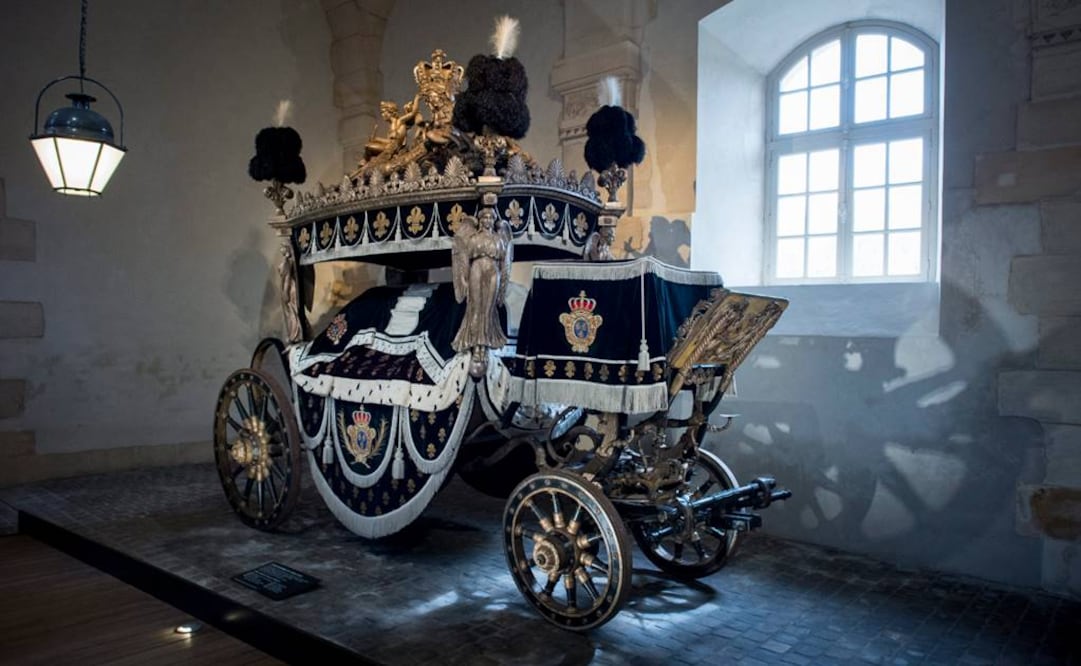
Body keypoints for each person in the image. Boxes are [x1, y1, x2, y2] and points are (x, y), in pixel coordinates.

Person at [451, 207, 512, 375]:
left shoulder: (499, 239)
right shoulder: (473, 238)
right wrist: (463, 278)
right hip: (476, 270)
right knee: (476, 309)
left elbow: (504, 263)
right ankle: (475, 345)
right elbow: (464, 259)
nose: (488, 221)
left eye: (491, 218)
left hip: (493, 272)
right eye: (484, 218)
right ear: (480, 221)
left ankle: (484, 346)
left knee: (488, 311)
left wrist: (503, 281)